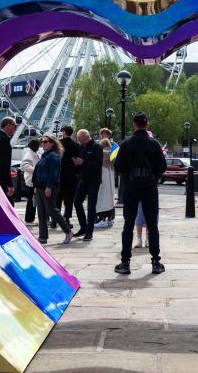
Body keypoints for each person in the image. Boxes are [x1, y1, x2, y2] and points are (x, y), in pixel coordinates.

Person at [114, 112, 166, 275]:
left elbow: (119, 167)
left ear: (134, 125)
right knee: (152, 225)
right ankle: (156, 262)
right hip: (150, 187)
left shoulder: (127, 143)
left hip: (131, 187)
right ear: (147, 125)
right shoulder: (154, 144)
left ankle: (125, 262)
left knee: (128, 224)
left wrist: (130, 174)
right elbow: (162, 168)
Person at [33, 134, 73, 245]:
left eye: (45, 141)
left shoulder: (53, 156)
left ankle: (68, 231)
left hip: (48, 187)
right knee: (40, 213)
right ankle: (42, 237)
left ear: (52, 143)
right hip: (41, 187)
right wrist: (36, 186)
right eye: (42, 141)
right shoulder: (45, 155)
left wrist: (49, 186)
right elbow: (39, 172)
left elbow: (54, 173)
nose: (43, 143)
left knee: (51, 211)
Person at [70, 128, 103, 241]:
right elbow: (82, 162)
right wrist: (77, 164)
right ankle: (83, 227)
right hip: (83, 180)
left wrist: (83, 162)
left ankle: (90, 231)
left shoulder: (97, 147)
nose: (79, 142)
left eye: (81, 140)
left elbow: (98, 164)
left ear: (87, 137)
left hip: (94, 180)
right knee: (77, 202)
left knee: (91, 206)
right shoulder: (81, 147)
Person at [94, 129, 115, 228]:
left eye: (104, 134)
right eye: (102, 134)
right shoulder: (113, 150)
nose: (103, 135)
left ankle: (102, 218)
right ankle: (110, 219)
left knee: (102, 196)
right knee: (110, 196)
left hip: (103, 174)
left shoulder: (101, 152)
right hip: (110, 173)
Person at [18, 137, 41, 224]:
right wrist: (35, 170)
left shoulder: (35, 153)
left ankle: (30, 219)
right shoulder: (29, 155)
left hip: (33, 180)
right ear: (36, 146)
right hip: (31, 181)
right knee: (31, 201)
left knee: (32, 200)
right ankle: (29, 219)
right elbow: (23, 166)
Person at [58, 125, 78, 223]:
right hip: (72, 175)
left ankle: (55, 219)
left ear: (64, 132)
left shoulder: (58, 144)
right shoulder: (76, 145)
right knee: (69, 199)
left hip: (60, 174)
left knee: (58, 197)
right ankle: (67, 218)